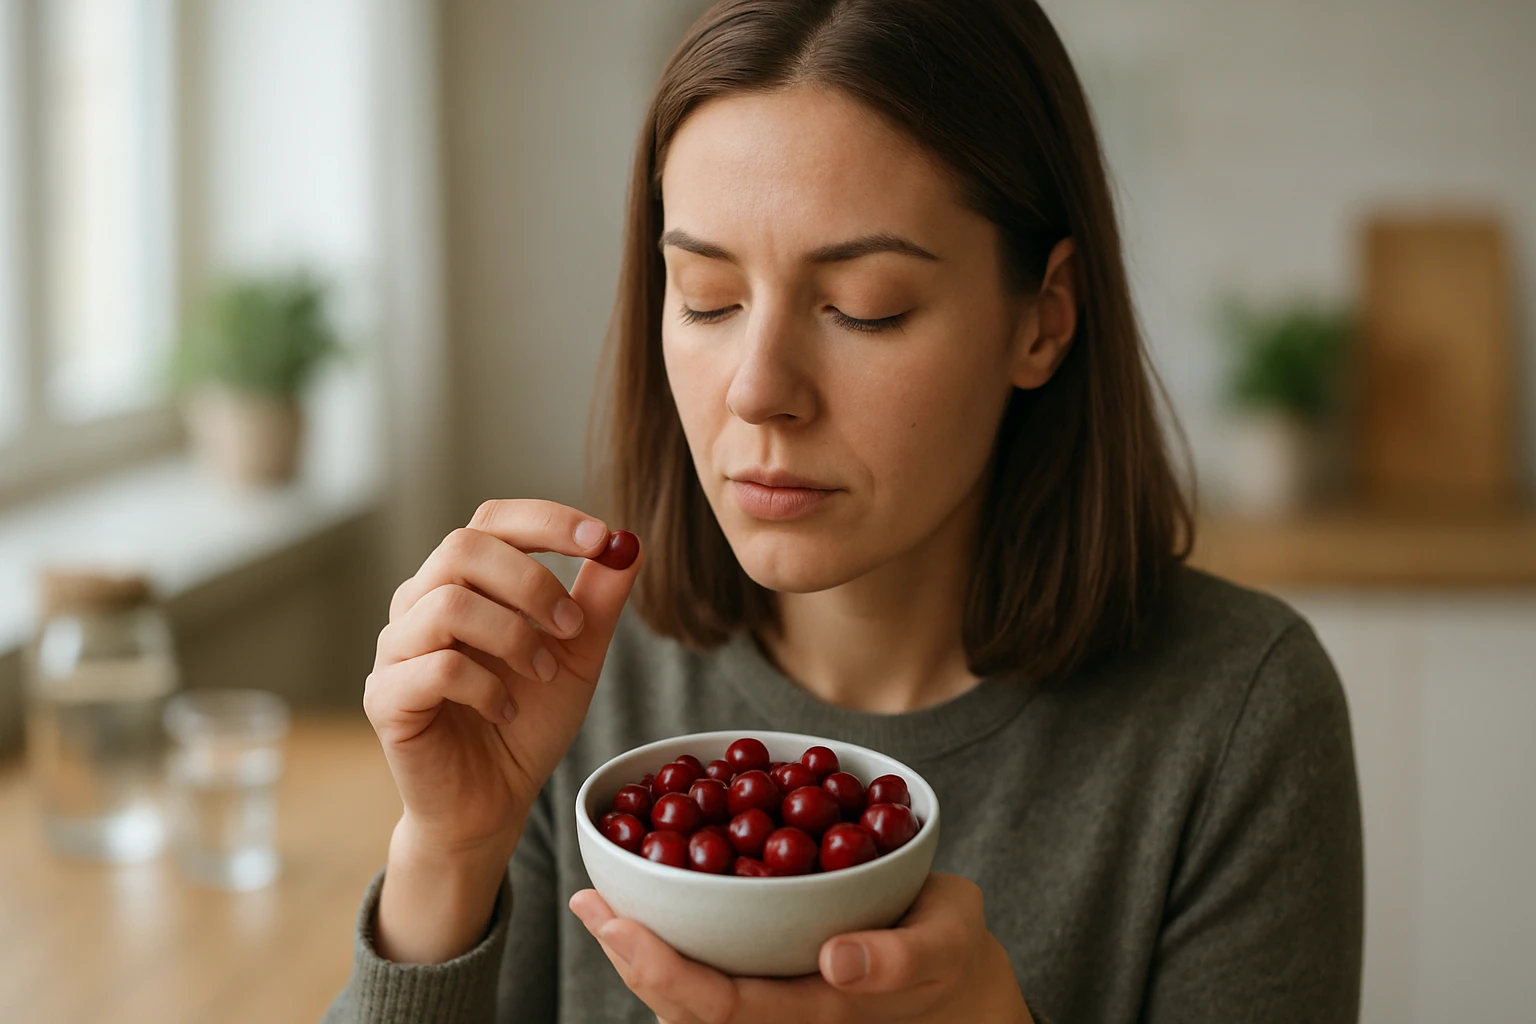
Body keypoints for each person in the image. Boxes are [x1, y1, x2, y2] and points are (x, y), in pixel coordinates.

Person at [325, 1, 1363, 1021]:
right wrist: (447, 855)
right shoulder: (563, 678)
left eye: (866, 305)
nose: (758, 387)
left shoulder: (1235, 718)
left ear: (1043, 321)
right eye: (708, 298)